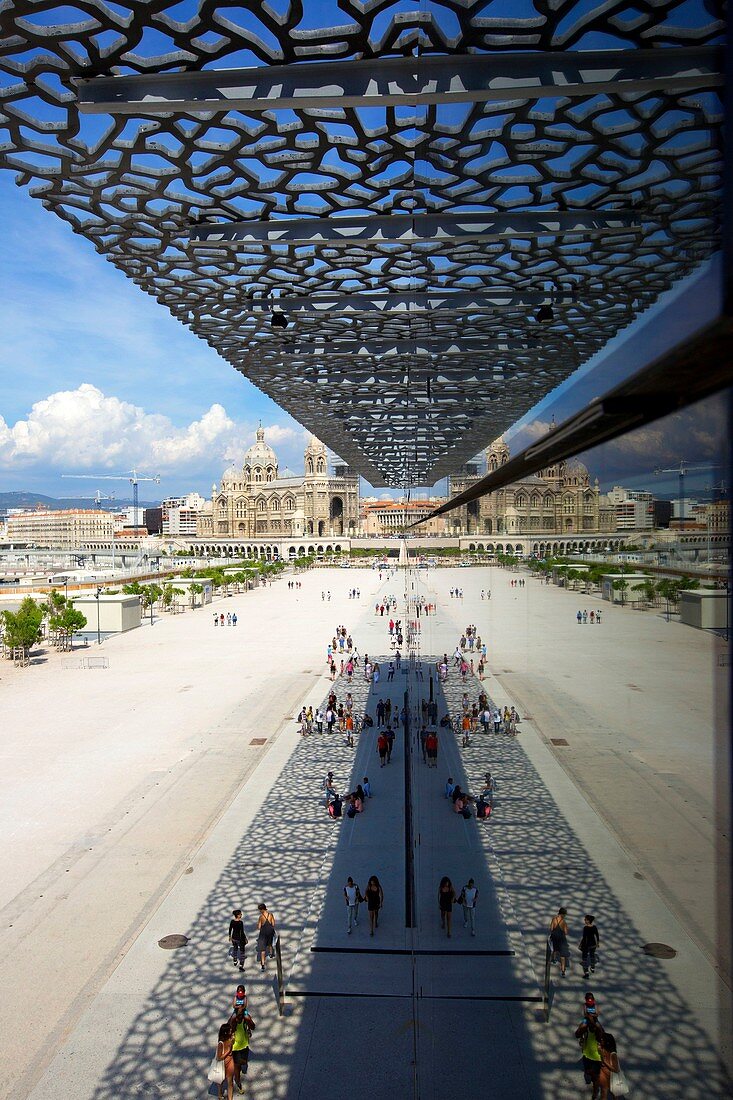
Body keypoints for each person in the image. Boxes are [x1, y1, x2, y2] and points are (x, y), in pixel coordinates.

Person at [575, 1014, 604, 1099]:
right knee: (588, 1072)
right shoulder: (585, 1027)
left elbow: (601, 1037)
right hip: (586, 1055)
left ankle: (595, 1092)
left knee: (595, 1077)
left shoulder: (598, 1030)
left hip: (596, 1057)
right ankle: (594, 1082)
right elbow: (577, 1034)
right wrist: (582, 1026)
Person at [230, 1005, 255, 1090]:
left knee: (243, 1062)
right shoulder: (233, 1019)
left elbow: (253, 1027)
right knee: (237, 1066)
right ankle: (238, 1081)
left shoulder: (246, 1018)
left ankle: (239, 1070)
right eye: (238, 1015)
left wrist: (248, 1020)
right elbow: (227, 1029)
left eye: (240, 1015)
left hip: (244, 1044)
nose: (239, 1018)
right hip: (235, 1047)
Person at [212, 1020, 235, 1100]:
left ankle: (230, 1098)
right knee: (220, 1079)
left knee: (230, 1082)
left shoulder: (231, 1039)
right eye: (230, 1030)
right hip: (222, 1063)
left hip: (230, 1062)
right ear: (226, 1032)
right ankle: (220, 1093)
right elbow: (219, 1057)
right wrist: (228, 1051)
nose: (231, 1031)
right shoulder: (221, 1043)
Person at [598, 1028, 621, 1100]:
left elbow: (616, 1069)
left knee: (612, 1093)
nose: (600, 1040)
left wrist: (604, 1062)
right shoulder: (601, 1049)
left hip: (611, 1076)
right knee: (604, 1093)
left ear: (607, 1042)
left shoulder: (613, 1054)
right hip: (603, 1074)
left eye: (602, 1040)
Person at [549, 907, 570, 976]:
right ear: (563, 914)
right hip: (561, 939)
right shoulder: (563, 922)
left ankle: (554, 959)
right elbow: (566, 932)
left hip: (555, 937)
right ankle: (563, 970)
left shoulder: (554, 919)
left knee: (555, 949)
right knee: (562, 956)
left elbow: (551, 928)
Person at [256, 903, 276, 972]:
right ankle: (271, 954)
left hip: (263, 934)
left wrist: (260, 924)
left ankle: (263, 965)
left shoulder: (261, 917)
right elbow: (273, 924)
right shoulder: (271, 915)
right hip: (270, 932)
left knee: (262, 950)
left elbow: (258, 927)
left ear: (262, 909)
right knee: (270, 944)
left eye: (259, 910)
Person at [580, 914, 600, 979]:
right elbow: (597, 935)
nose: (584, 920)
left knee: (584, 959)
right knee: (592, 955)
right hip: (593, 944)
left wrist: (581, 945)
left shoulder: (585, 928)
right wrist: (597, 943)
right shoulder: (594, 927)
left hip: (586, 945)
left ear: (588, 921)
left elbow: (584, 937)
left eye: (585, 919)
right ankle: (592, 968)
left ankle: (586, 973)